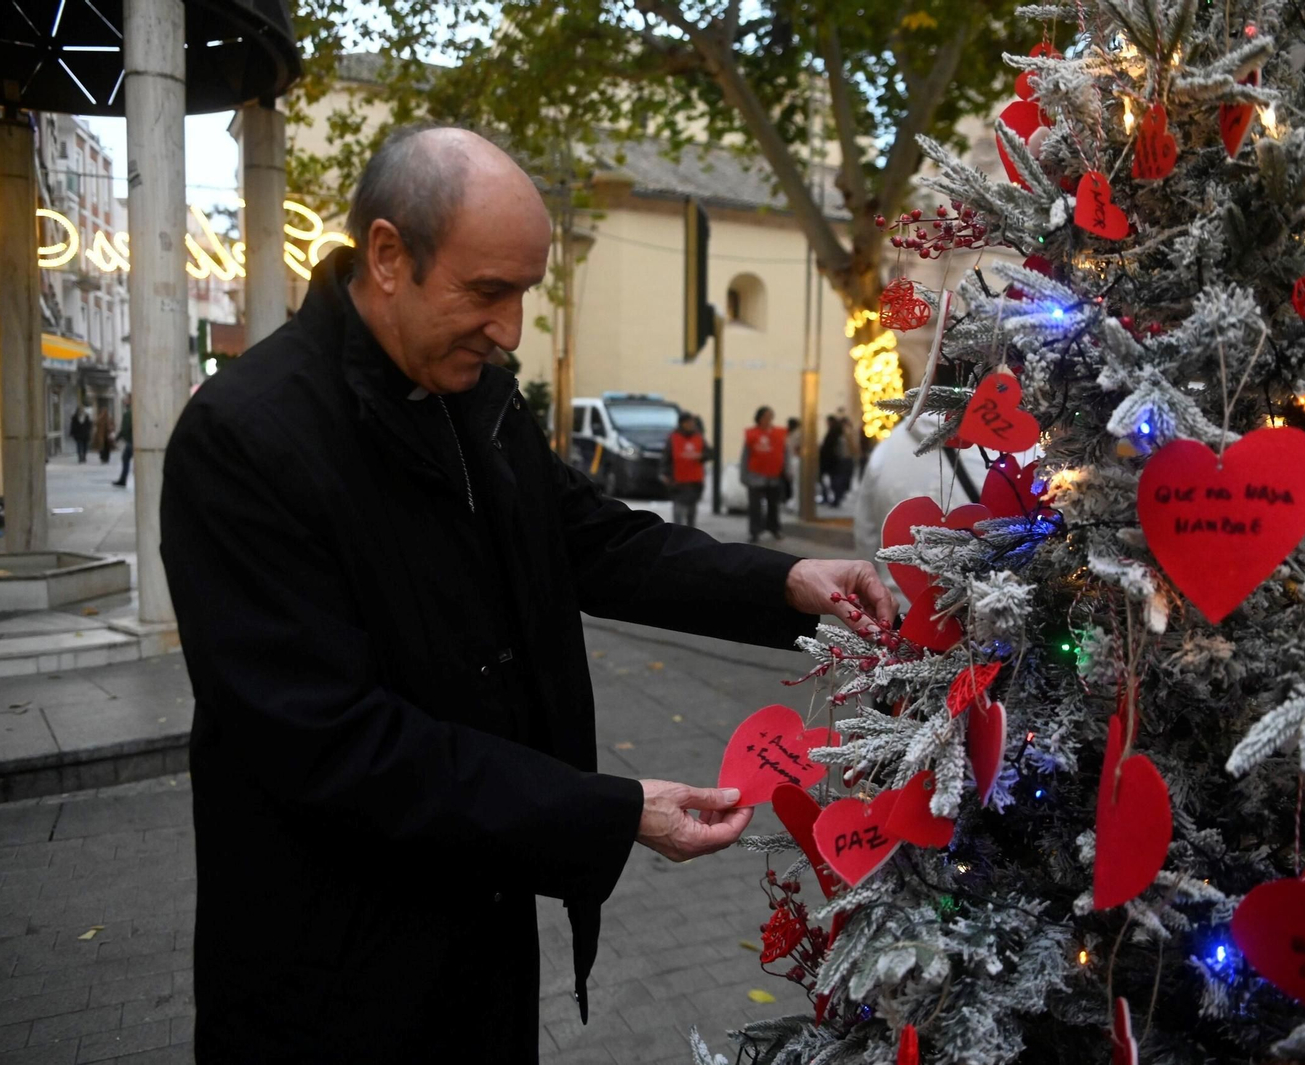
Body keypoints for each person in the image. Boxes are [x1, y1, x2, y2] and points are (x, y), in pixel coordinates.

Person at [158, 125, 894, 1064]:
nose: (510, 330)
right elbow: (332, 744)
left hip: (480, 935)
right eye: (486, 292)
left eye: (523, 294)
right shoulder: (244, 440)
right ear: (387, 256)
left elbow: (597, 537)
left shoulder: (471, 391)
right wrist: (608, 812)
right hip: (326, 977)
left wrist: (788, 581)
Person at [740, 405, 787, 542]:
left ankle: (774, 528)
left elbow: (785, 452)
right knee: (755, 506)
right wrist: (744, 476)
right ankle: (755, 531)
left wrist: (787, 471)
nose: (768, 419)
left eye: (770, 416)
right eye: (765, 416)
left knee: (774, 505)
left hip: (774, 476)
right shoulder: (752, 434)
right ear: (759, 418)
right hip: (755, 476)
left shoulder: (778, 434)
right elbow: (745, 456)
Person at [661, 410, 708, 527]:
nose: (691, 425)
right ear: (682, 423)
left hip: (694, 480)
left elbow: (708, 453)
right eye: (688, 422)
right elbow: (666, 457)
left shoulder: (699, 437)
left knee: (691, 510)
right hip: (678, 480)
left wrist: (701, 456)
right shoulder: (673, 438)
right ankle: (678, 532)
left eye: (692, 422)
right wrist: (665, 473)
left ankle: (690, 532)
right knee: (678, 510)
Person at [819, 414, 846, 507]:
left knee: (834, 481)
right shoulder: (836, 433)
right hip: (834, 460)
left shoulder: (834, 433)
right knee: (834, 481)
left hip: (832, 460)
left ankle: (834, 499)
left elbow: (829, 448)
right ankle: (834, 498)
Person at [111, 398, 133, 487]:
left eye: (126, 400)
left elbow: (125, 429)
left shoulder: (128, 413)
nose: (124, 402)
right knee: (125, 459)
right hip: (132, 440)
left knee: (125, 459)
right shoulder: (131, 412)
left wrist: (118, 438)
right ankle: (122, 479)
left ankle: (123, 480)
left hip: (131, 441)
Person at [782, 416, 801, 505]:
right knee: (792, 482)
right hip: (790, 458)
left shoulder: (797, 434)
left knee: (796, 482)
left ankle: (796, 501)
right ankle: (792, 499)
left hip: (795, 459)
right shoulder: (790, 434)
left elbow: (798, 447)